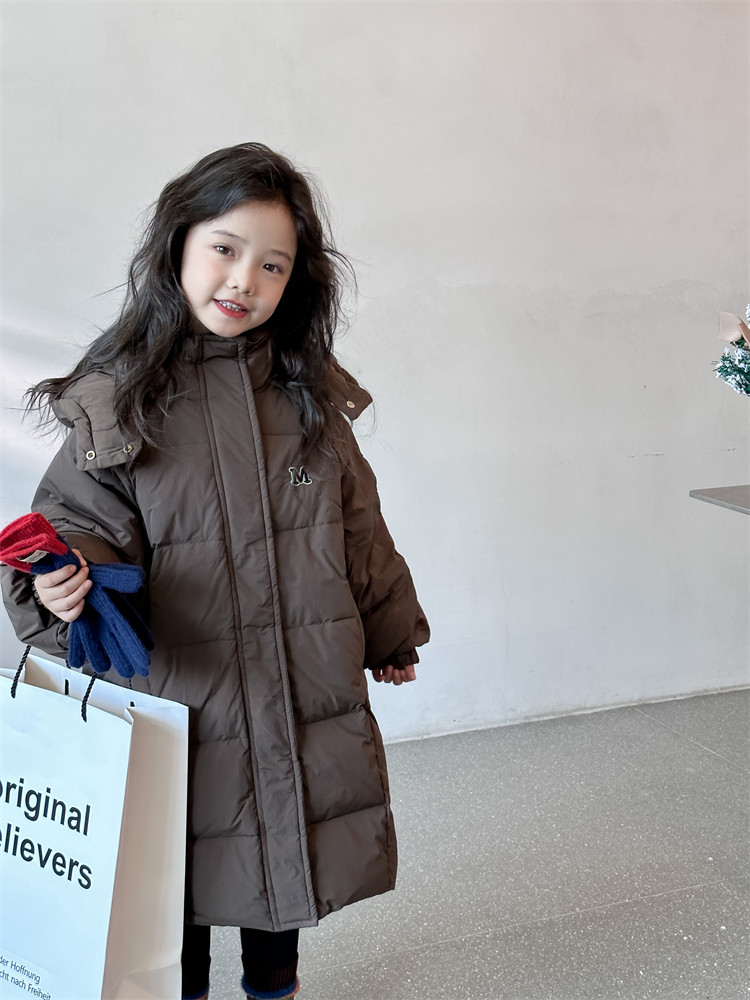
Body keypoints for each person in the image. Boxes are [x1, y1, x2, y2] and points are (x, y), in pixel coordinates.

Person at [1, 143, 430, 1000]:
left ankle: (274, 989)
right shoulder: (120, 400)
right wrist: (64, 582)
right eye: (226, 249)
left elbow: (358, 526)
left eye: (273, 264)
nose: (244, 280)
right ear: (179, 248)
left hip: (298, 681)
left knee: (281, 857)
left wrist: (390, 629)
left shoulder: (307, 395)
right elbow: (82, 525)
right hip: (179, 692)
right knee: (177, 873)